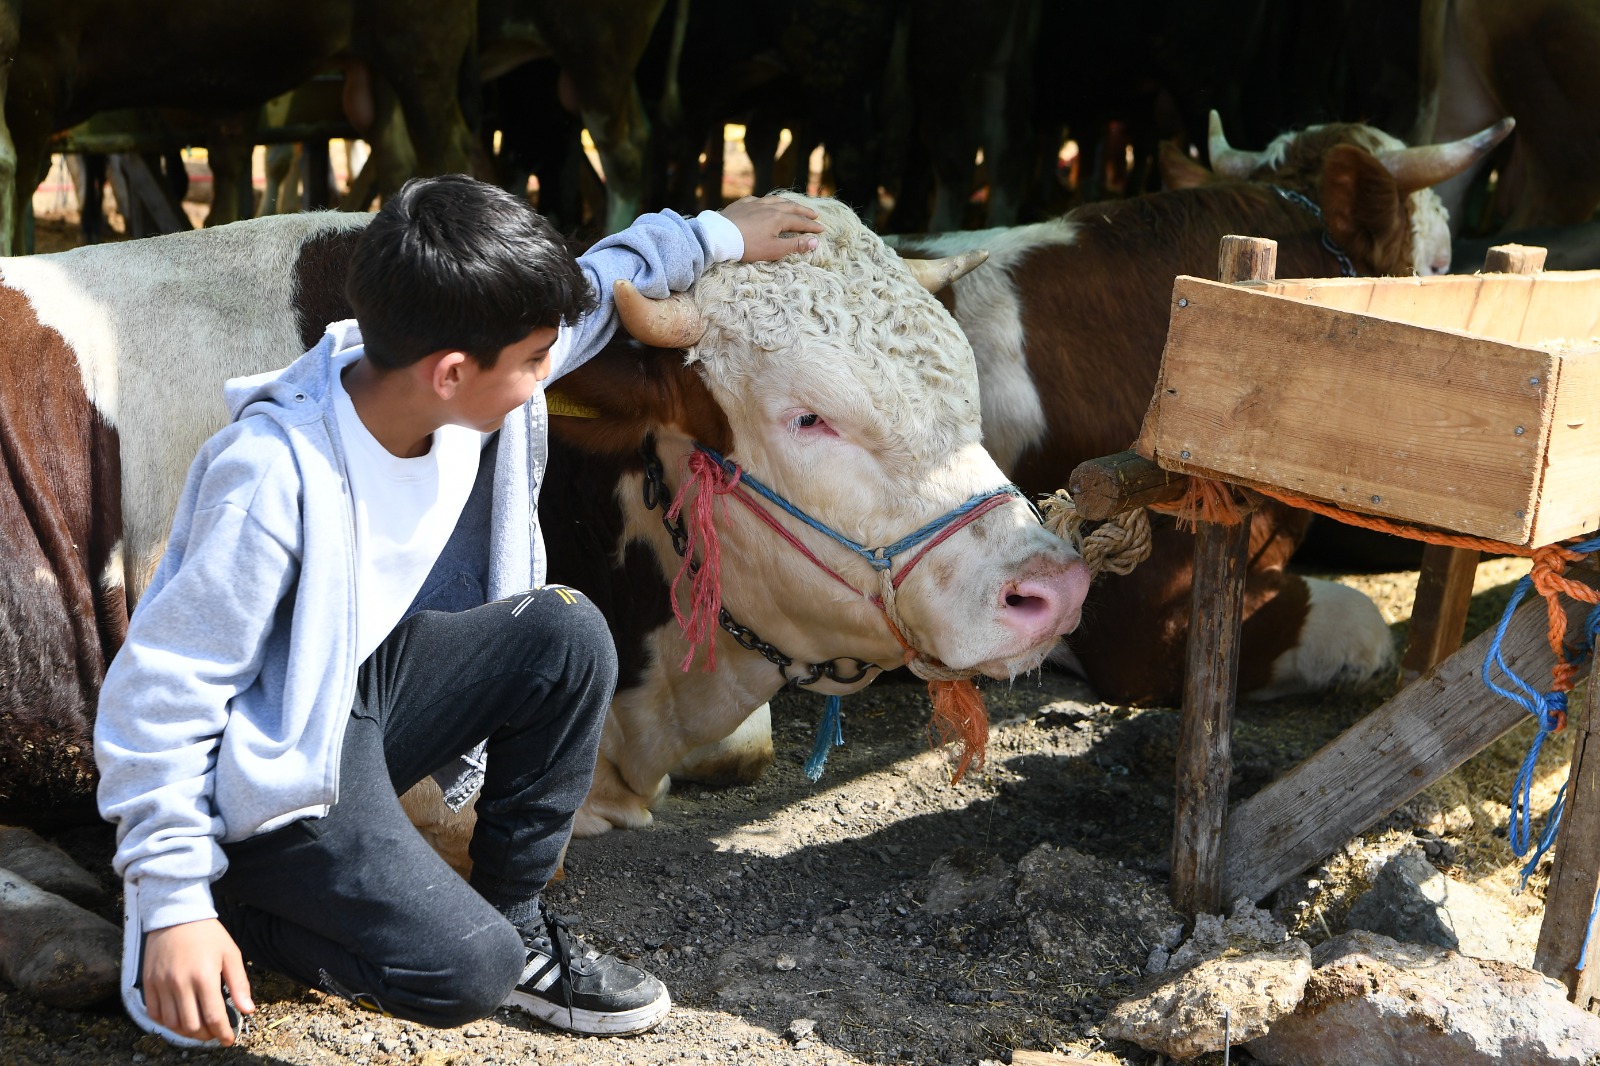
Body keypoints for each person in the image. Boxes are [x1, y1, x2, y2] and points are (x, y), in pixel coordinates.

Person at [93, 175, 823, 1048]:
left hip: (356, 697)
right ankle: (236, 913)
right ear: (451, 374)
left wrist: (717, 236)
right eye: (533, 362)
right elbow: (158, 693)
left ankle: (516, 916)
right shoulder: (272, 477)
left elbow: (589, 294)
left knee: (566, 630)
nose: (550, 373)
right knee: (465, 972)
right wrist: (172, 903)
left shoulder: (450, 369)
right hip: (272, 777)